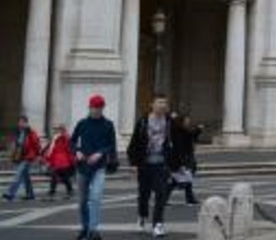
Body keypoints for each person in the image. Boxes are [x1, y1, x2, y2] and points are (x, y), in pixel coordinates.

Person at [127, 94, 178, 238]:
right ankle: (142, 216)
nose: (162, 105)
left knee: (161, 194)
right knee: (144, 195)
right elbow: (134, 143)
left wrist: (176, 164)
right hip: (145, 164)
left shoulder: (170, 122)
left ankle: (158, 224)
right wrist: (134, 164)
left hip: (161, 164)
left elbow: (177, 143)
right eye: (159, 102)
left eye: (164, 103)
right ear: (152, 105)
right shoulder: (143, 121)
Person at [72, 94, 117, 240]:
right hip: (82, 167)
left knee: (96, 197)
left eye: (99, 107)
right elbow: (72, 141)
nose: (96, 110)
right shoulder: (82, 123)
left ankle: (93, 230)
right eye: (94, 107)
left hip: (99, 167)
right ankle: (85, 227)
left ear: (103, 108)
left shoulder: (108, 124)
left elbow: (111, 145)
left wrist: (100, 153)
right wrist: (77, 151)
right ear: (89, 107)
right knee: (82, 201)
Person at [3, 115, 40, 202]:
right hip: (20, 156)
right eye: (19, 122)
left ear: (26, 123)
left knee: (18, 175)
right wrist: (14, 154)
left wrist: (37, 155)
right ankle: (30, 194)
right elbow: (17, 144)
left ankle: (10, 193)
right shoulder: (19, 132)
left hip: (28, 157)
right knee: (26, 177)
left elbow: (36, 144)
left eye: (22, 122)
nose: (20, 123)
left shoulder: (31, 132)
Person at [166, 114, 201, 206]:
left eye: (188, 121)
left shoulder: (184, 131)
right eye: (186, 121)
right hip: (181, 158)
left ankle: (190, 198)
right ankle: (164, 198)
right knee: (177, 180)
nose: (188, 122)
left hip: (186, 157)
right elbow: (180, 147)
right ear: (181, 122)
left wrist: (197, 130)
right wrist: (181, 162)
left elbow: (192, 135)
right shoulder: (179, 132)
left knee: (186, 179)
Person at [45, 124, 75, 199]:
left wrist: (72, 160)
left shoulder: (65, 138)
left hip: (63, 160)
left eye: (59, 129)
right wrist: (48, 159)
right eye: (57, 129)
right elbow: (51, 150)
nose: (57, 131)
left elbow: (69, 149)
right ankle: (53, 190)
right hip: (57, 160)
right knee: (55, 175)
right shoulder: (55, 138)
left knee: (64, 176)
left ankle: (69, 189)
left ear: (62, 130)